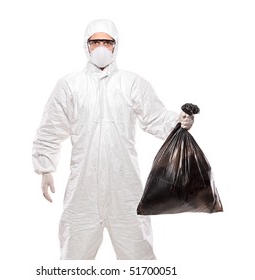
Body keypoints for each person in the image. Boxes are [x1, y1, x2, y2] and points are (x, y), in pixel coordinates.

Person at [32, 19, 194, 260]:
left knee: (138, 256)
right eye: (95, 41)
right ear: (86, 45)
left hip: (125, 186)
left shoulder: (132, 83)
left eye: (106, 42)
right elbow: (51, 127)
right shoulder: (69, 86)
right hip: (83, 189)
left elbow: (154, 116)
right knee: (74, 257)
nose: (100, 47)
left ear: (115, 45)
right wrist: (45, 167)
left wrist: (178, 121)